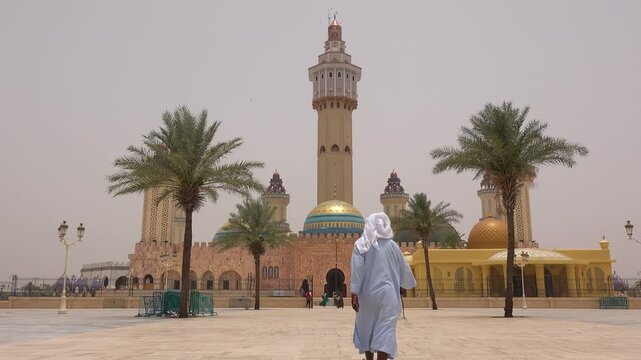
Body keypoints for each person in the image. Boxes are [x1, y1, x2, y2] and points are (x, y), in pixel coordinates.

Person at [351, 212, 416, 360]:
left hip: (367, 295)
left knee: (367, 328)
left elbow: (357, 269)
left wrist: (354, 292)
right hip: (388, 295)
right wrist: (402, 286)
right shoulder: (392, 246)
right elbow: (403, 268)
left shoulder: (361, 244)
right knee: (385, 331)